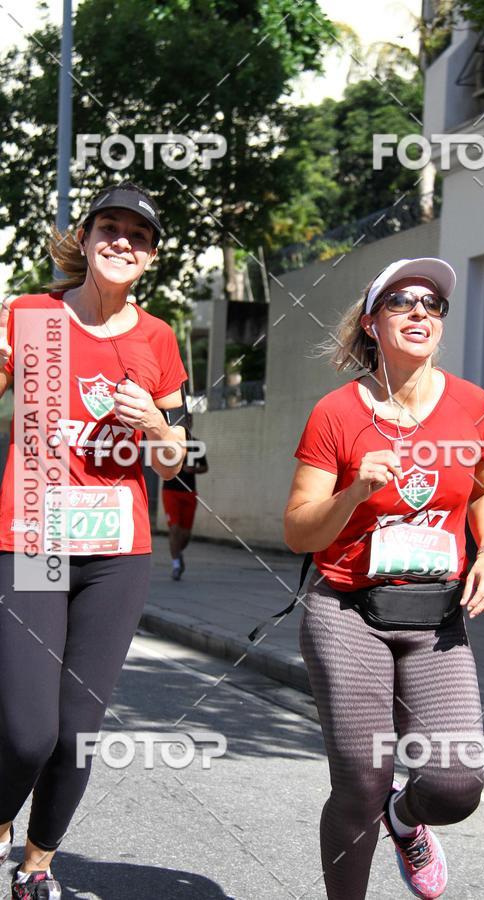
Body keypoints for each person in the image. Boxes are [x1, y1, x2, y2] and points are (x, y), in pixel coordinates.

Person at [284, 258, 484, 900]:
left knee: (456, 782)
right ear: (371, 323)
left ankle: (405, 819)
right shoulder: (335, 413)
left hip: (436, 615)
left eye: (433, 305)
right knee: (360, 778)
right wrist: (355, 490)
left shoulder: (473, 406)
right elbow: (299, 531)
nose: (420, 312)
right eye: (402, 302)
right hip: (348, 609)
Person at [0, 182, 189, 899]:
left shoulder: (159, 339)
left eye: (138, 235)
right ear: (84, 238)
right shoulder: (31, 317)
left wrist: (158, 427)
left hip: (117, 553)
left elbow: (178, 463)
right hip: (33, 537)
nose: (122, 242)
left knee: (78, 732)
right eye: (109, 227)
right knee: (26, 733)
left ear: (151, 256)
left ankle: (38, 865)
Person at [162, 442, 208, 579]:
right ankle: (176, 564)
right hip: (170, 491)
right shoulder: (167, 443)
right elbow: (157, 465)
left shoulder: (196, 445)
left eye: (189, 419)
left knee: (186, 535)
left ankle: (177, 552)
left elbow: (205, 467)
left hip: (189, 492)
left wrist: (194, 470)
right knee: (174, 529)